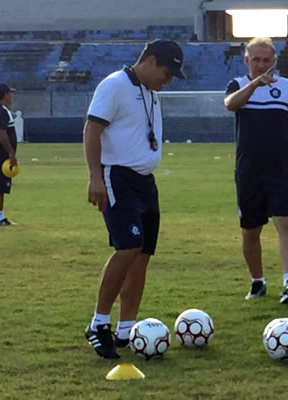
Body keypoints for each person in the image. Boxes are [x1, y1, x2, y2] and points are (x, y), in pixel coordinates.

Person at [83, 39, 186, 359]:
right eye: (167, 73)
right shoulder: (114, 85)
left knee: (142, 254)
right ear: (151, 61)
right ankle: (98, 324)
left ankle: (127, 329)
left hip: (145, 181)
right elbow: (91, 129)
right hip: (117, 176)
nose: (167, 81)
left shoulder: (151, 93)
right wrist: (96, 177)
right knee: (127, 246)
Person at [224, 37, 288, 305]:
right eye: (256, 60)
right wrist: (254, 84)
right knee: (251, 230)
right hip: (249, 171)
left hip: (280, 170)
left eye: (266, 60)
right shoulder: (238, 85)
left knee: (285, 222)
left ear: (273, 61)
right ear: (247, 60)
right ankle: (258, 281)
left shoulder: (286, 87)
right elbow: (230, 104)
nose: (261, 64)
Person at [0, 83, 18, 226]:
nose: (11, 97)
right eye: (10, 94)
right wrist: (11, 153)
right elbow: (1, 134)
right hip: (0, 155)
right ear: (5, 95)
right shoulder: (0, 111)